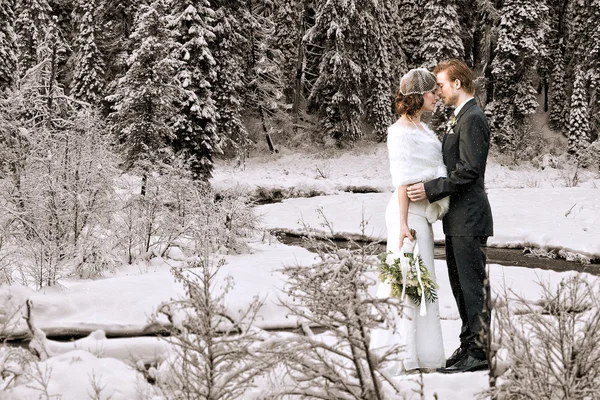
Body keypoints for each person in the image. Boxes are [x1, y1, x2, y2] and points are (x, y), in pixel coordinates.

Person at [407, 59, 493, 373]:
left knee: (472, 287)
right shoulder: (461, 117)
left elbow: (470, 170)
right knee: (460, 286)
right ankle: (470, 345)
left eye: (441, 84)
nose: (438, 90)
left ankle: (480, 352)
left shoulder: (473, 118)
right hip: (458, 218)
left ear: (457, 83)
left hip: (470, 217)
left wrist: (430, 189)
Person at [370, 68, 449, 374]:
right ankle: (401, 355)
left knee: (423, 283)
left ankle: (424, 355)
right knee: (406, 283)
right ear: (418, 96)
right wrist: (403, 224)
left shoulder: (423, 131)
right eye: (432, 93)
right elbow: (402, 181)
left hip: (422, 215)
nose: (436, 96)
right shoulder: (400, 132)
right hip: (407, 215)